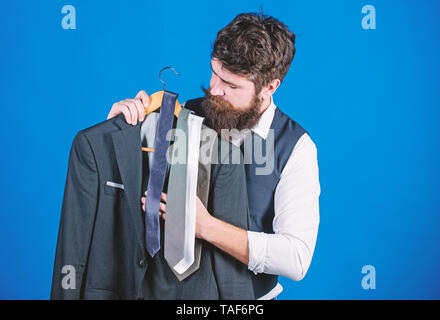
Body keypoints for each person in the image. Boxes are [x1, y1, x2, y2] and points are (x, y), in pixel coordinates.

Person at [107, 12, 320, 300]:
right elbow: (129, 192)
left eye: (231, 85)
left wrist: (207, 228)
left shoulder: (296, 147)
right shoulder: (183, 115)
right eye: (215, 73)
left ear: (270, 87)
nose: (215, 89)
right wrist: (122, 129)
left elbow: (296, 258)